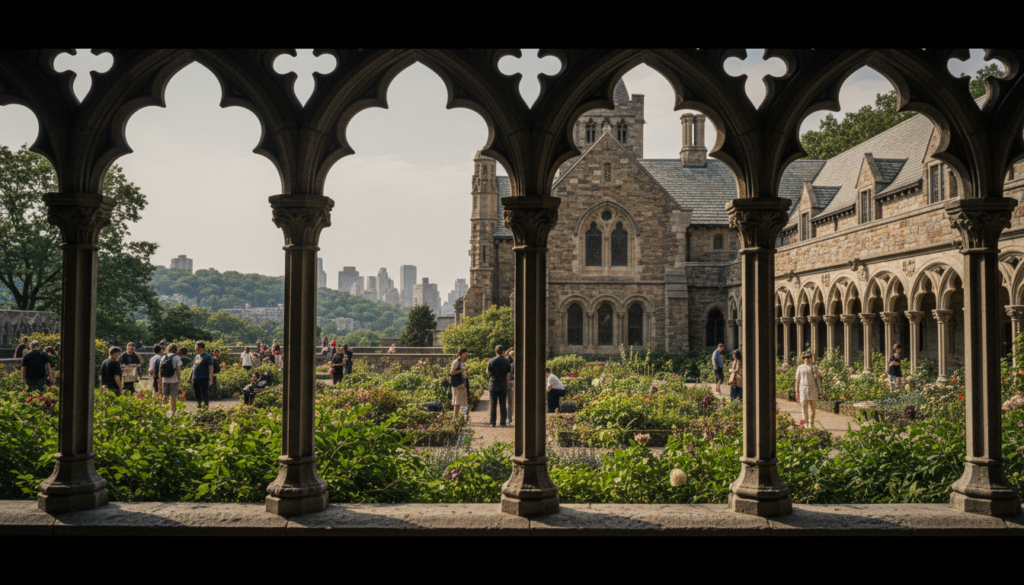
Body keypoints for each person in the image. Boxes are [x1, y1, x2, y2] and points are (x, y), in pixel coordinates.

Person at [485, 345, 511, 427]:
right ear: (503, 351)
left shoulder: (491, 361)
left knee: (493, 403)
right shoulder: (506, 361)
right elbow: (508, 375)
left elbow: (488, 372)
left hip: (493, 383)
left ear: (496, 351)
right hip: (503, 383)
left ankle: (492, 422)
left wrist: (491, 376)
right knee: (503, 403)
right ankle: (503, 422)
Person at [795, 351, 822, 428]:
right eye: (805, 357)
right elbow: (797, 380)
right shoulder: (800, 367)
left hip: (813, 389)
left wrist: (820, 390)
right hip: (803, 389)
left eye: (808, 357)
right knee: (804, 407)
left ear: (811, 358)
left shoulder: (814, 367)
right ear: (803, 359)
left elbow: (818, 379)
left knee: (812, 408)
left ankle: (811, 423)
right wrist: (797, 392)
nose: (807, 359)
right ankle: (806, 423)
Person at [185, 342, 215, 409]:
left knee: (204, 392)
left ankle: (206, 404)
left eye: (198, 349)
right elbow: (193, 367)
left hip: (204, 377)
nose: (197, 350)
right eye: (196, 349)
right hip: (195, 377)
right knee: (196, 392)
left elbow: (210, 367)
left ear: (203, 349)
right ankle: (199, 404)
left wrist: (211, 378)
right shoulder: (196, 356)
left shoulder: (208, 357)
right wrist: (189, 377)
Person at [159, 343, 183, 416]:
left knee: (165, 395)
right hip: (174, 379)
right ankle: (172, 411)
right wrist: (179, 380)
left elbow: (160, 369)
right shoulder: (177, 358)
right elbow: (178, 370)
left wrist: (160, 379)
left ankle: (162, 409)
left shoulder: (163, 357)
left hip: (165, 379)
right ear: (176, 349)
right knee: (173, 396)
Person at [450, 347, 470, 422]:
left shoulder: (461, 362)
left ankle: (464, 418)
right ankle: (455, 418)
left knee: (464, 401)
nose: (466, 355)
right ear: (461, 354)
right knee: (457, 402)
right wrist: (463, 370)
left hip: (462, 384)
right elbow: (452, 372)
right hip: (457, 384)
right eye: (465, 354)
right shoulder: (456, 362)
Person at [506, 349, 515, 424]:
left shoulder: (509, 364)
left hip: (509, 382)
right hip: (515, 382)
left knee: (510, 403)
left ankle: (510, 419)